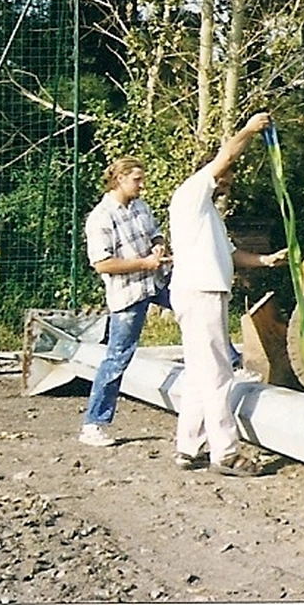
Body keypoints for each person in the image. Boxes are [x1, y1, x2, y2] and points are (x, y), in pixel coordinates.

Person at [167, 112, 286, 476]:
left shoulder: (208, 215)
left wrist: (265, 261)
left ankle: (190, 447)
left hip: (203, 292)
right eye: (226, 179)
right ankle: (225, 452)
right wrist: (250, 129)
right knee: (218, 373)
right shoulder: (192, 193)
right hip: (200, 293)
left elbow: (232, 254)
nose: (228, 184)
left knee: (199, 373)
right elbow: (229, 155)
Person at [79, 156, 171, 447]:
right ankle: (94, 424)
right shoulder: (101, 217)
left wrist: (158, 247)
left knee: (197, 310)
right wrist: (144, 264)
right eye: (137, 180)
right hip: (128, 292)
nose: (142, 185)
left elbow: (156, 234)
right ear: (119, 179)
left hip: (156, 282)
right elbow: (102, 264)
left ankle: (233, 363)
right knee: (118, 357)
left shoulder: (140, 206)